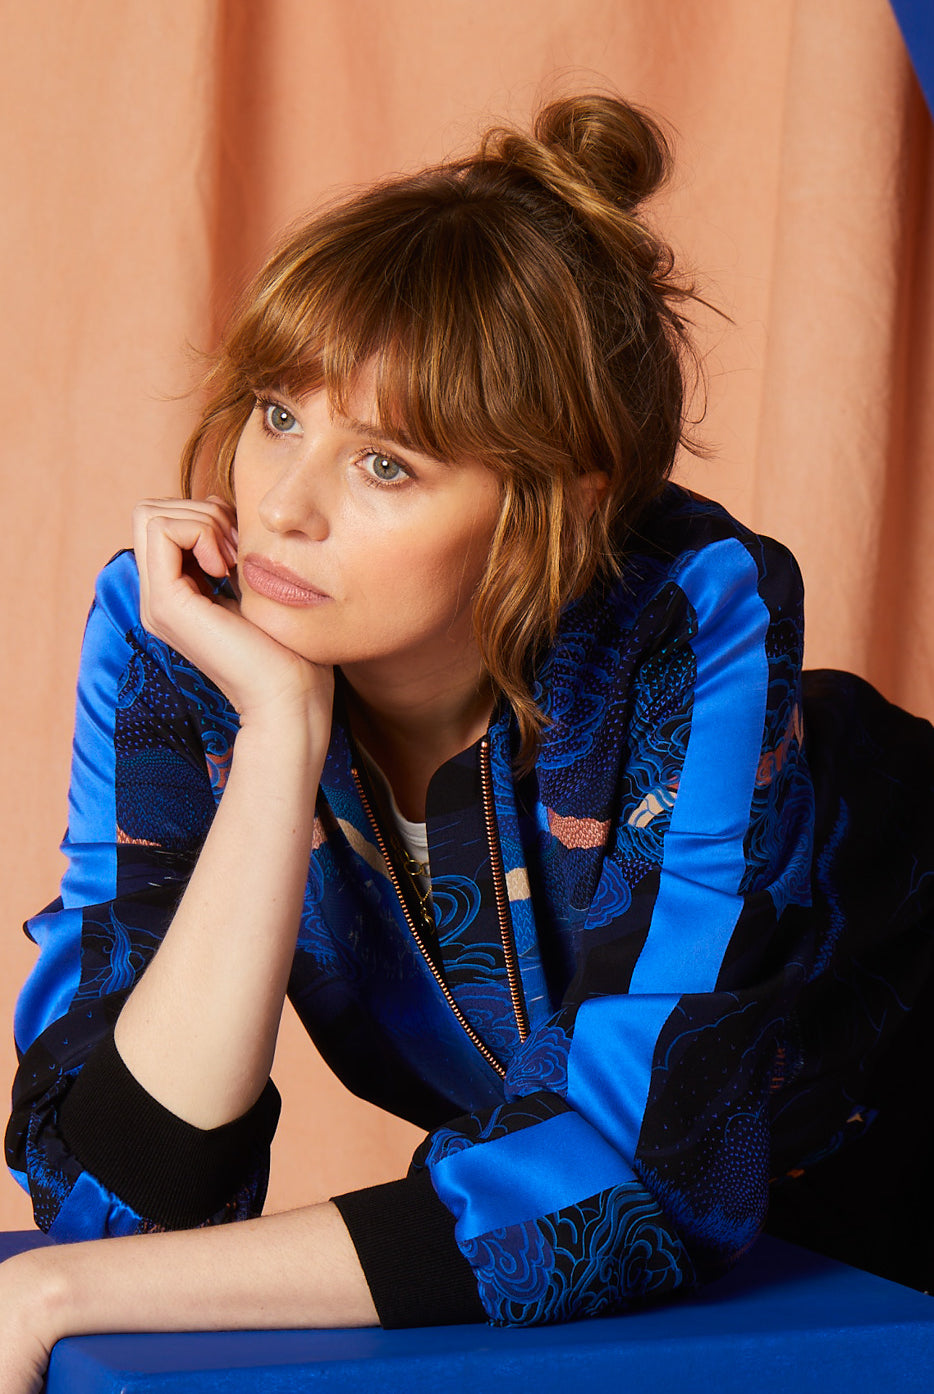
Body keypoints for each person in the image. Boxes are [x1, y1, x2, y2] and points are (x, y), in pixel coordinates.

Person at [2, 91, 933, 1388]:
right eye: (278, 412)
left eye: (386, 463)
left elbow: (633, 1177)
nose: (285, 505)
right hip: (750, 1273)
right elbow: (111, 1187)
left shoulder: (679, 620)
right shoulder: (186, 633)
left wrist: (57, 1293)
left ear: (558, 502)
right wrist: (278, 733)